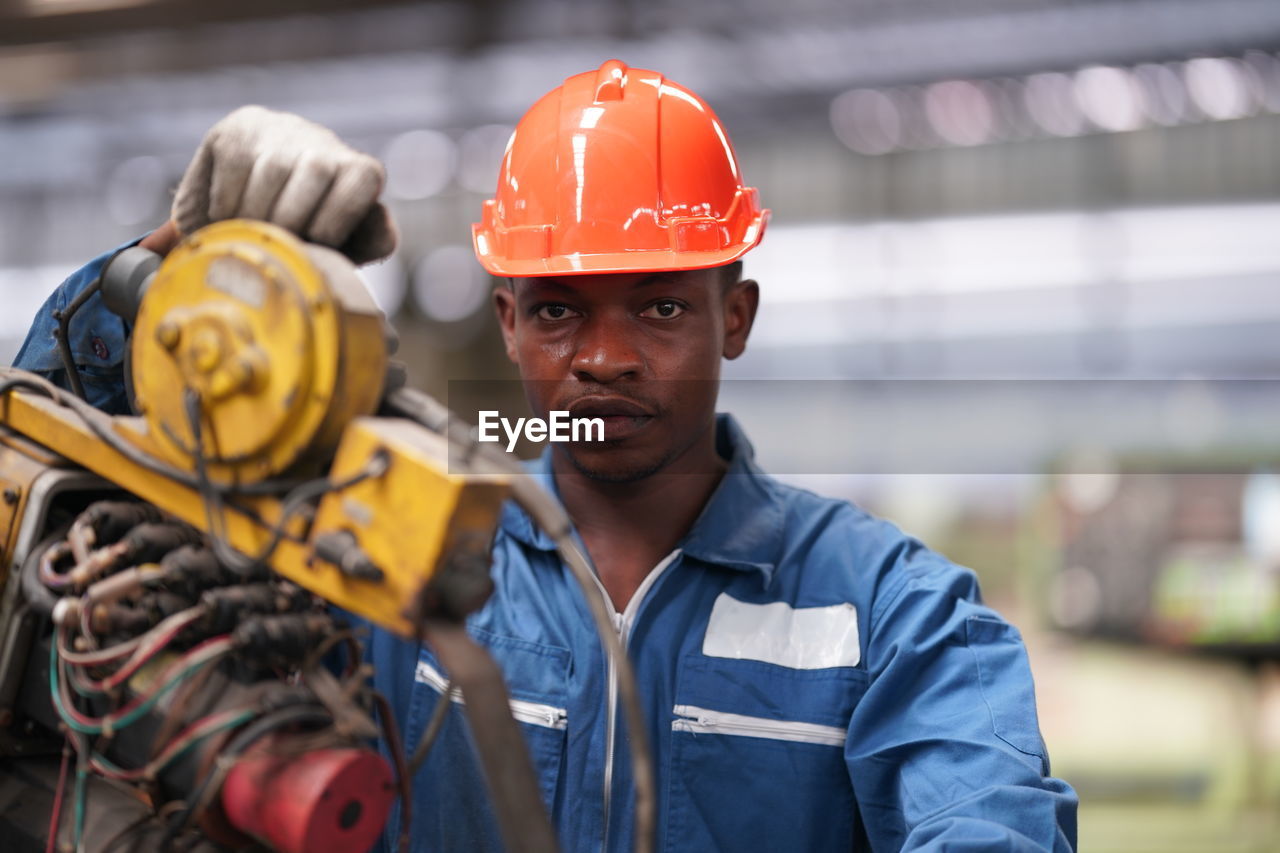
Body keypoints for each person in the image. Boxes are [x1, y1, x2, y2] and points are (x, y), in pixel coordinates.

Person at [15, 61, 1077, 852]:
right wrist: (161, 276)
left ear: (735, 317)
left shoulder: (892, 615)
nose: (606, 359)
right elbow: (56, 473)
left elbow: (985, 819)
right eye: (561, 311)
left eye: (660, 306)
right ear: (509, 323)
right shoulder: (372, 570)